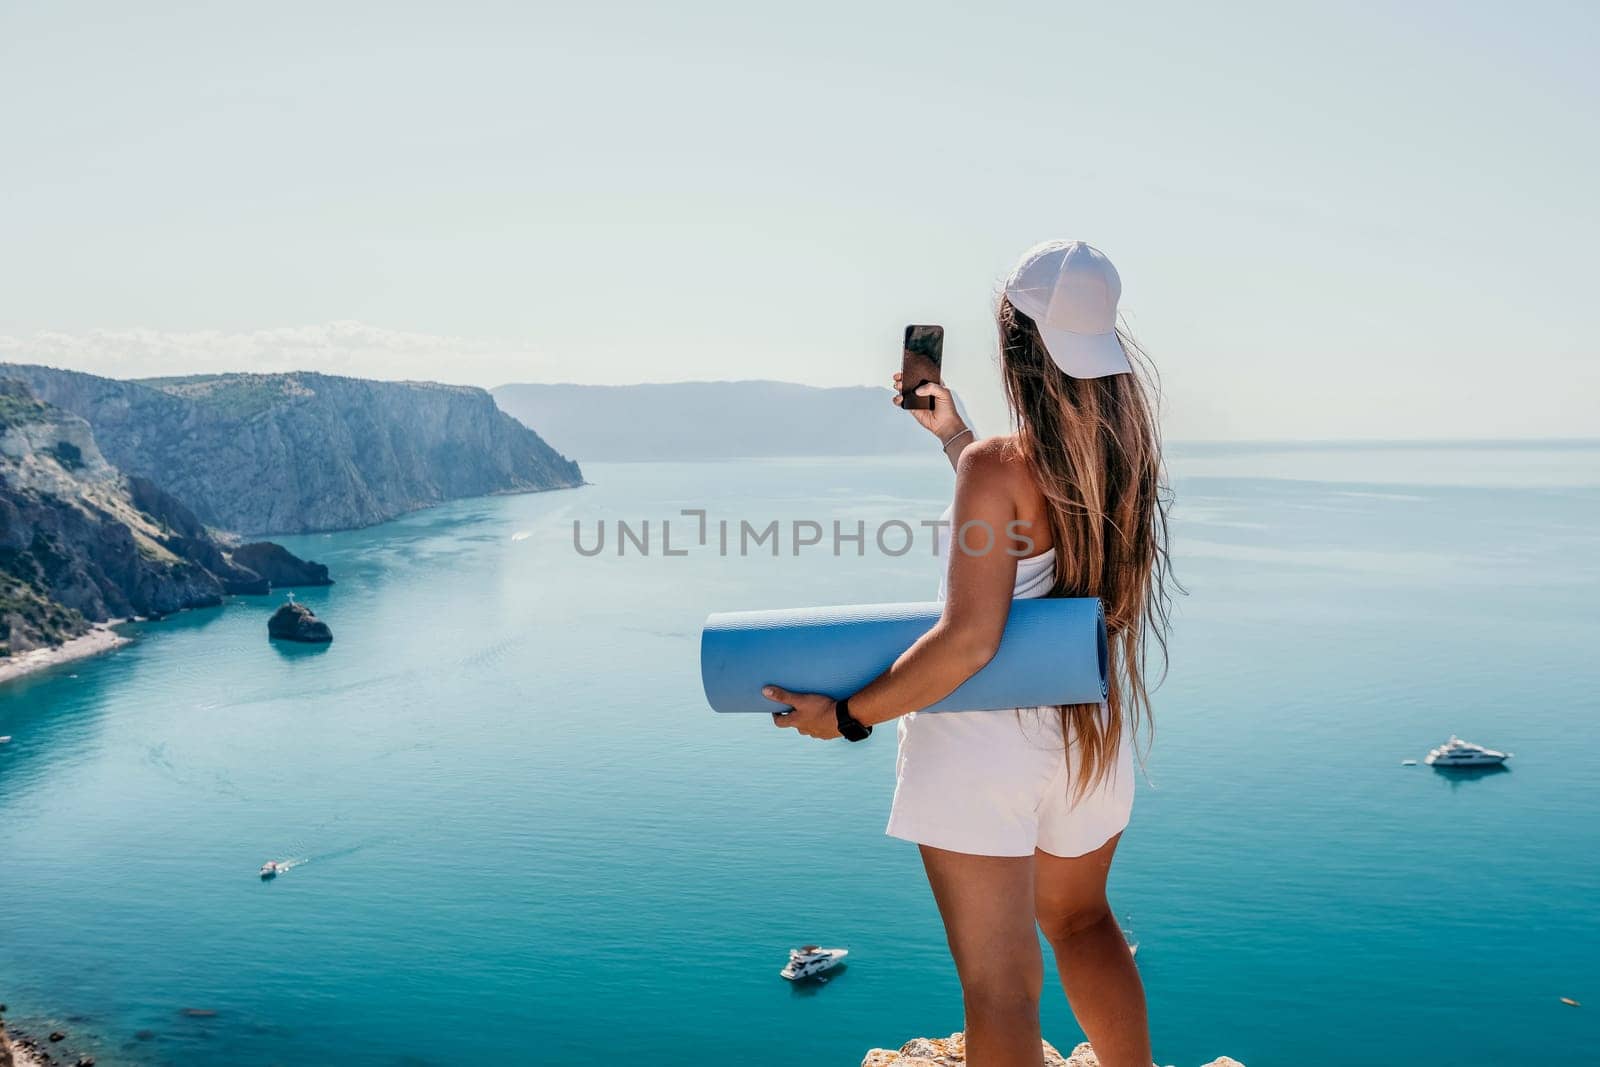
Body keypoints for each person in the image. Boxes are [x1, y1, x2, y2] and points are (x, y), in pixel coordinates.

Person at [765, 241, 1176, 1067]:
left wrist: (847, 716)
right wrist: (955, 435)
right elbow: (1036, 521)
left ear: (1015, 341)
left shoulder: (1000, 468)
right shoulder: (1126, 455)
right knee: (1084, 922)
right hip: (1091, 731)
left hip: (985, 744)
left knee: (998, 984)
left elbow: (969, 641)